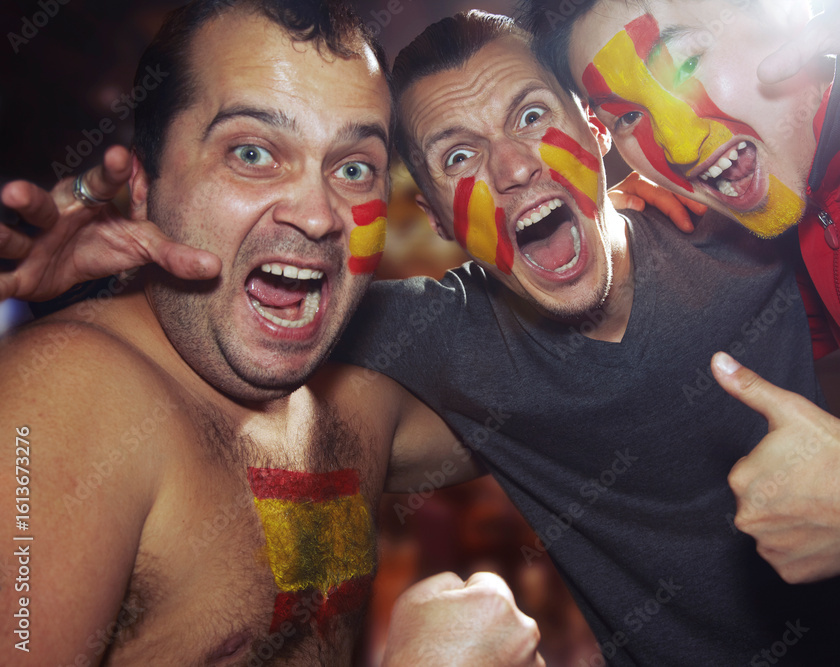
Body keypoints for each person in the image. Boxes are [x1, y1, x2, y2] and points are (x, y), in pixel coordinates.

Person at [0, 7, 840, 666]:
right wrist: (104, 250)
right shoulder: (441, 337)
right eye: (459, 156)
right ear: (445, 223)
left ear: (596, 134)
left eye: (533, 119)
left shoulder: (741, 233)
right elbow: (218, 318)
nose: (511, 169)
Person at [0, 2, 545, 665]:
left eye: (353, 168)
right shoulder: (61, 396)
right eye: (253, 152)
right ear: (143, 183)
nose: (318, 215)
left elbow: (564, 385)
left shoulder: (360, 405)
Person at [522, 0, 840, 588]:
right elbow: (761, 325)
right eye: (625, 117)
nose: (674, 140)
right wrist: (627, 247)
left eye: (688, 59)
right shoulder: (803, 189)